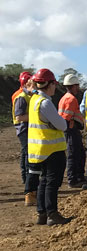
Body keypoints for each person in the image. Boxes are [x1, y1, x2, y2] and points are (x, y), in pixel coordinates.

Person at [28, 69, 69, 226]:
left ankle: (42, 214)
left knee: (43, 181)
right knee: (52, 183)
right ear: (50, 84)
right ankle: (52, 214)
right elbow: (62, 125)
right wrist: (58, 122)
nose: (54, 88)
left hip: (40, 150)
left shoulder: (34, 101)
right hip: (53, 150)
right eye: (54, 84)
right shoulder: (45, 103)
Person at [11, 71, 38, 205]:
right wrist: (36, 116)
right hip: (23, 129)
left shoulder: (28, 96)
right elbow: (19, 116)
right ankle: (29, 189)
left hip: (27, 129)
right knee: (28, 157)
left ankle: (28, 184)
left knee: (26, 156)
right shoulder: (21, 97)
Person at [58, 73, 86, 188]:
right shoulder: (71, 99)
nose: (78, 88)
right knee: (74, 154)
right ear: (73, 86)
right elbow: (66, 117)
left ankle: (78, 177)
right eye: (77, 86)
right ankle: (73, 179)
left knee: (79, 153)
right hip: (71, 129)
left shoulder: (64, 98)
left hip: (70, 129)